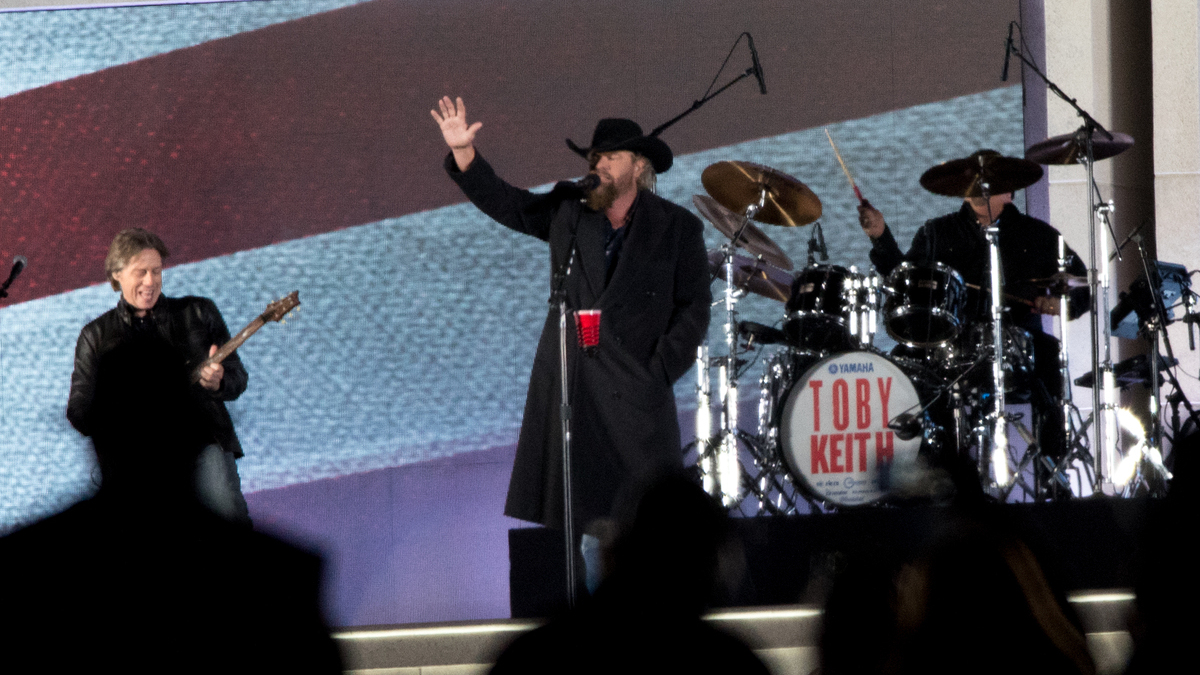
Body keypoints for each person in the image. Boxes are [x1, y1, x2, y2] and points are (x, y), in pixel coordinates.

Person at [431, 96, 711, 532]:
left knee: (650, 523)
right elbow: (511, 205)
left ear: (638, 166)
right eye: (594, 157)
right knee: (584, 523)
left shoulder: (677, 227)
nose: (598, 165)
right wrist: (464, 152)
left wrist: (658, 368)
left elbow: (693, 308)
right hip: (576, 386)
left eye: (610, 157)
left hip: (638, 391)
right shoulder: (569, 212)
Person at [858, 150, 1089, 493]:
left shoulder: (1040, 237)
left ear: (1010, 191)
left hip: (1016, 340)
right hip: (949, 342)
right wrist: (881, 237)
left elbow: (1081, 289)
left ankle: (1051, 474)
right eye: (972, 185)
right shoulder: (937, 233)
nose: (980, 190)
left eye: (991, 185)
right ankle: (939, 482)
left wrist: (1058, 302)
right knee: (905, 362)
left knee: (1051, 355)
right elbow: (904, 281)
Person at [67, 228, 251, 523]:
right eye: (141, 272)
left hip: (203, 444)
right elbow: (78, 410)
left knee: (227, 529)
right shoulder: (95, 336)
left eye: (156, 271)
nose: (150, 281)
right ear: (116, 274)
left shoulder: (199, 312)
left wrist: (219, 382)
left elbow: (237, 377)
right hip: (133, 463)